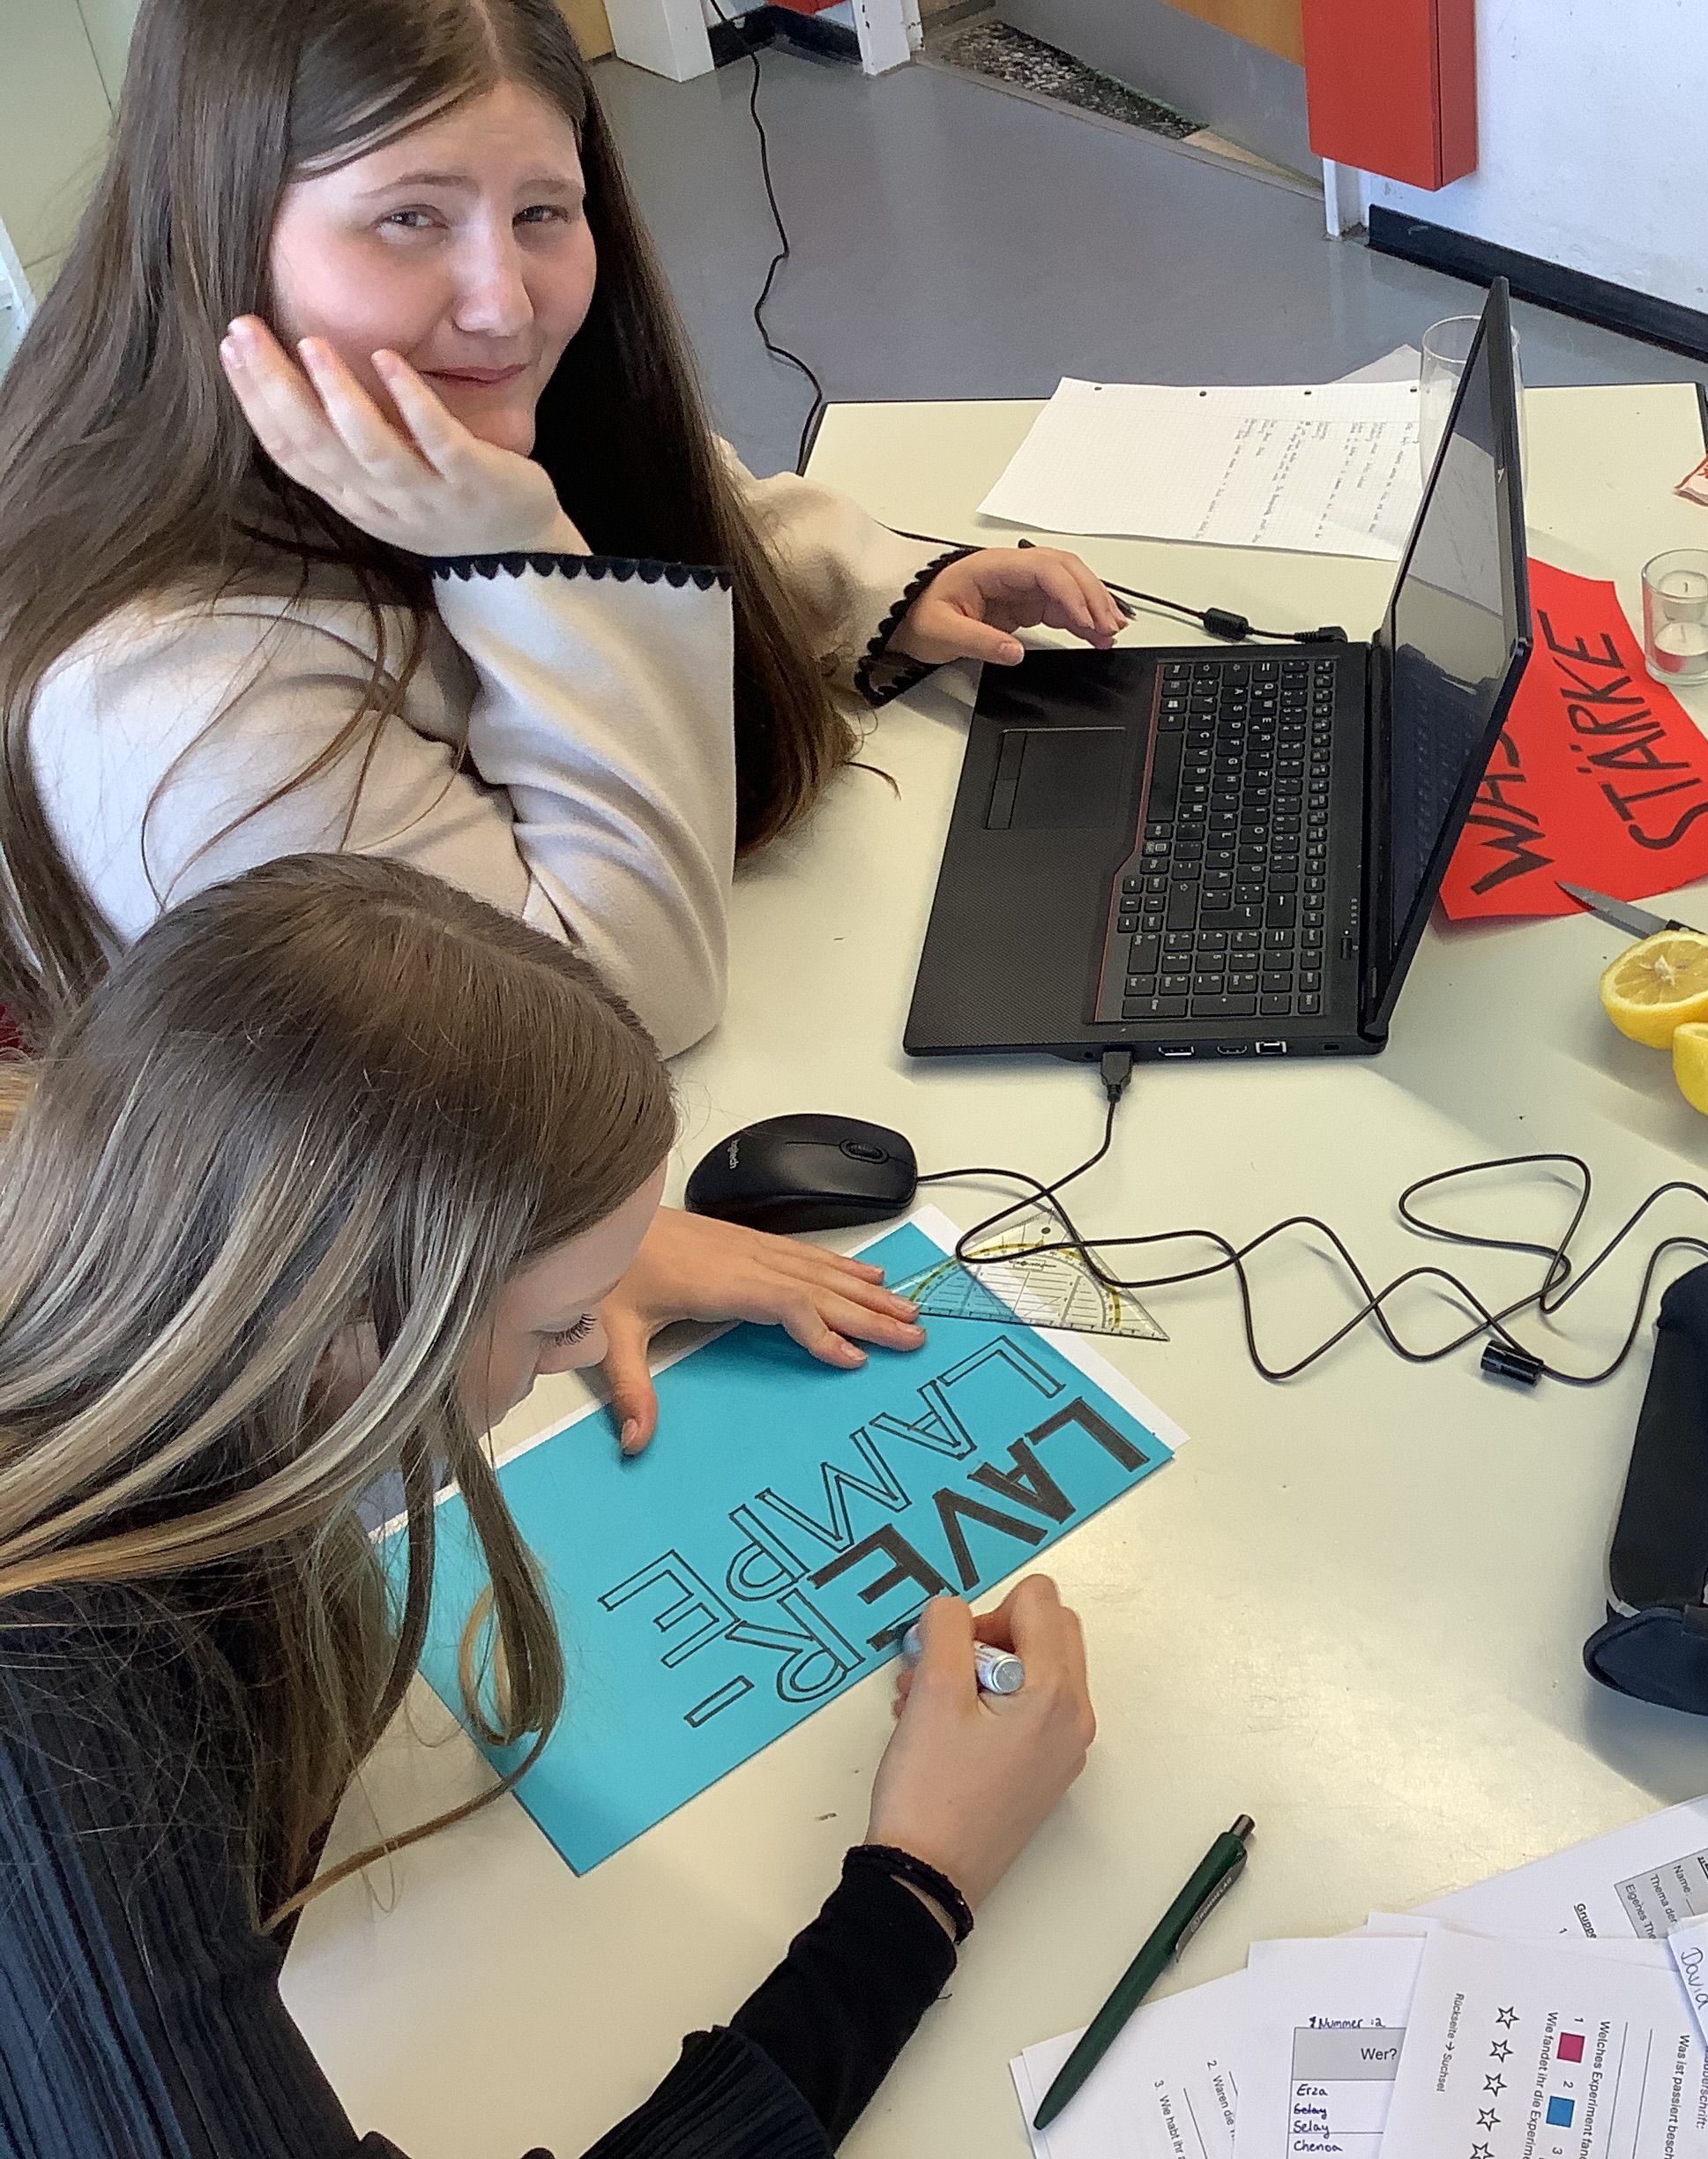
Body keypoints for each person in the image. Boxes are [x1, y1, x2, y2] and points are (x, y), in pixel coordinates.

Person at [0, 0, 1130, 1443]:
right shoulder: (176, 693)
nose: (503, 300)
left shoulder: (427, 408)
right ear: (218, 227)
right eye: (408, 218)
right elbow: (609, 1009)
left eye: (543, 209)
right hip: (349, 1315)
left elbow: (668, 495)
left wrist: (869, 586)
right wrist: (519, 561)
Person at [0, 853, 1099, 2158]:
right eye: (562, 1323)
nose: (582, 1345)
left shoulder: (90, 1231)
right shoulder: (77, 1771)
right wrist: (916, 1892)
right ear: (347, 1339)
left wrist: (572, 1254)